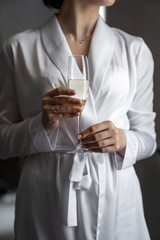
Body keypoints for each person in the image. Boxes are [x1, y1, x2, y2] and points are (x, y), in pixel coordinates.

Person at [0, 0, 156, 239]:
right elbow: (3, 140)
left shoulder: (134, 49)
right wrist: (40, 125)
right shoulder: (19, 48)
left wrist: (123, 139)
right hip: (46, 195)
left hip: (118, 198)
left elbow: (148, 138)